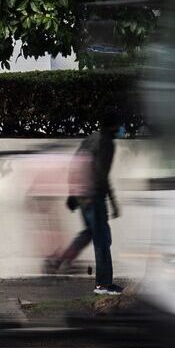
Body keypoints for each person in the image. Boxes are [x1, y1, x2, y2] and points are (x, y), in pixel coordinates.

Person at [46, 119, 122, 294]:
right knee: (102, 239)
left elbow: (74, 165)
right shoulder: (106, 142)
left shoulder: (91, 138)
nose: (120, 128)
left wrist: (73, 194)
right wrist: (113, 202)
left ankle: (61, 260)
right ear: (113, 125)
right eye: (119, 125)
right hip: (94, 196)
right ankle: (103, 285)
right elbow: (102, 176)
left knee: (91, 232)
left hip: (83, 196)